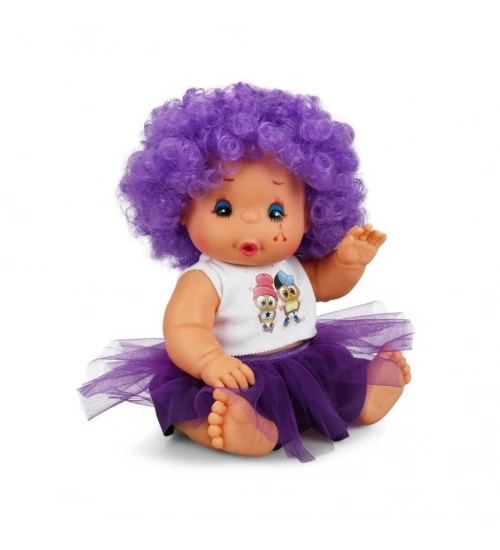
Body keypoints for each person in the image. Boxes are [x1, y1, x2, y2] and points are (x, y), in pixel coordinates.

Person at [79, 83, 413, 462]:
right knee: (196, 403)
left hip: (304, 361)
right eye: (224, 210)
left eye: (275, 212)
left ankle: (364, 399)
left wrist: (348, 263)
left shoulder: (291, 265)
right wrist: (210, 361)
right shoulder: (207, 279)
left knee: (334, 382)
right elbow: (184, 327)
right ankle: (225, 426)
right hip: (237, 373)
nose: (252, 222)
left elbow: (323, 285)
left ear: (309, 215)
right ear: (182, 210)